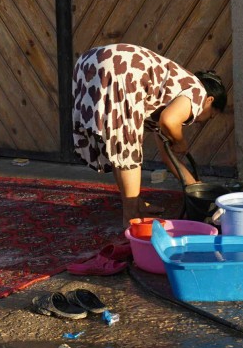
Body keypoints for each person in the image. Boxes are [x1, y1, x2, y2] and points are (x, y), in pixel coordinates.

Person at [71, 43, 228, 228]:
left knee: (119, 147)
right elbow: (169, 121)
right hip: (119, 68)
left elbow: (166, 152)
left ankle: (134, 204)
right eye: (210, 115)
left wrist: (194, 186)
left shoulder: (170, 91)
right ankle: (131, 218)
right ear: (210, 100)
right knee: (129, 148)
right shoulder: (198, 92)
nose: (202, 121)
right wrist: (181, 142)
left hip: (89, 63)